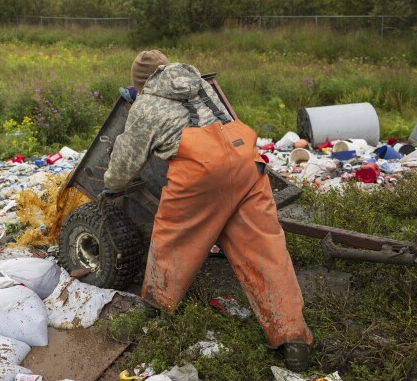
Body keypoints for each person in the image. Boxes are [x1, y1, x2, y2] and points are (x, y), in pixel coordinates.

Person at [104, 50, 314, 372]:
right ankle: (294, 340)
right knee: (266, 252)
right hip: (245, 162)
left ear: (139, 84)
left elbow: (124, 162)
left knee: (172, 240)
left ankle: (155, 307)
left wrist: (111, 184)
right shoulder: (201, 85)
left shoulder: (145, 105)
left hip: (200, 173)